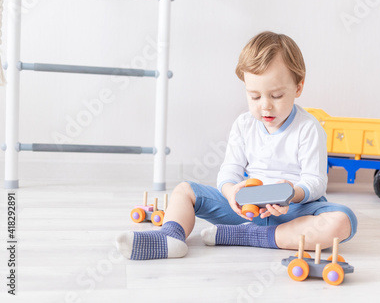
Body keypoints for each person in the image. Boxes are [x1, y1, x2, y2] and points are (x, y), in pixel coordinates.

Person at [116, 31, 357, 260]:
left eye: (276, 96)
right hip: (246, 206)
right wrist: (231, 193)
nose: (265, 106)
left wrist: (293, 194)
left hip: (292, 210)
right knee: (184, 190)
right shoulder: (244, 124)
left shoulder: (308, 127)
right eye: (254, 96)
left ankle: (251, 235)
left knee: (342, 221)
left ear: (298, 87)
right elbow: (229, 170)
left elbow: (315, 181)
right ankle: (171, 237)